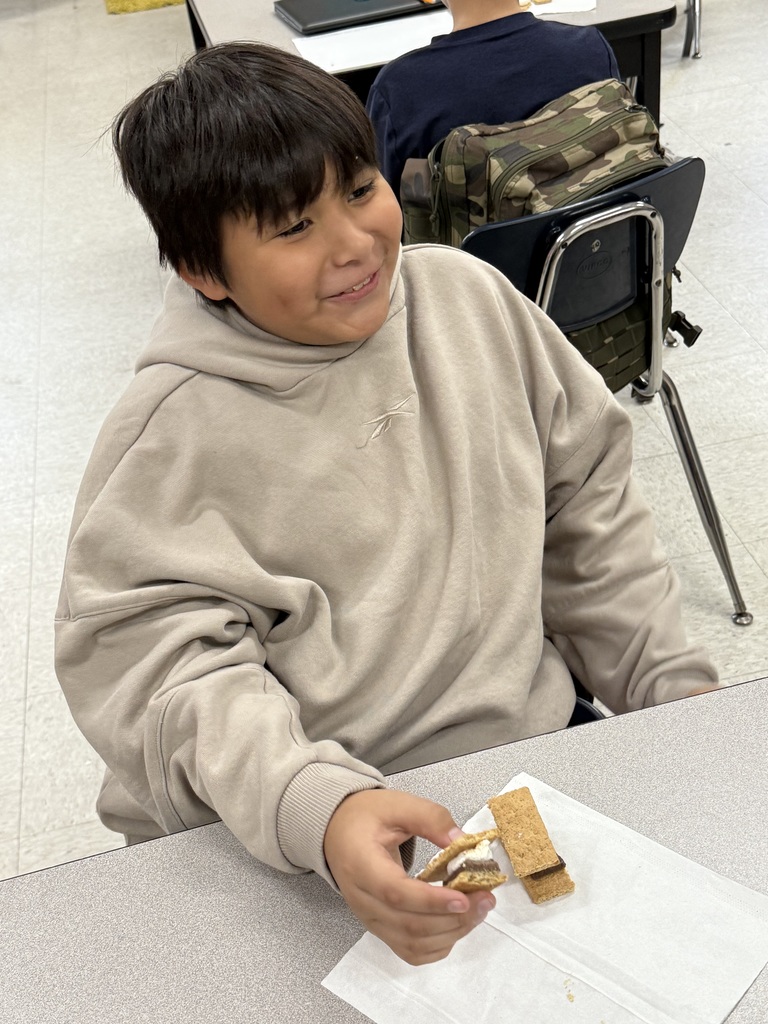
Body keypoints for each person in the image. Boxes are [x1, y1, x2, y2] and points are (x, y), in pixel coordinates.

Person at [54, 41, 717, 968]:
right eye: (293, 228)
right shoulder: (170, 438)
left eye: (361, 190)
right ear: (203, 269)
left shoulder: (470, 299)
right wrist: (320, 809)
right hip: (308, 827)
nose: (356, 243)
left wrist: (669, 692)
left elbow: (587, 509)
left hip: (529, 754)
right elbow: (167, 678)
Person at [366, 0, 621, 194]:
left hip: (466, 264)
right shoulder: (590, 49)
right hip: (591, 251)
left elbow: (385, 209)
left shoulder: (400, 89)